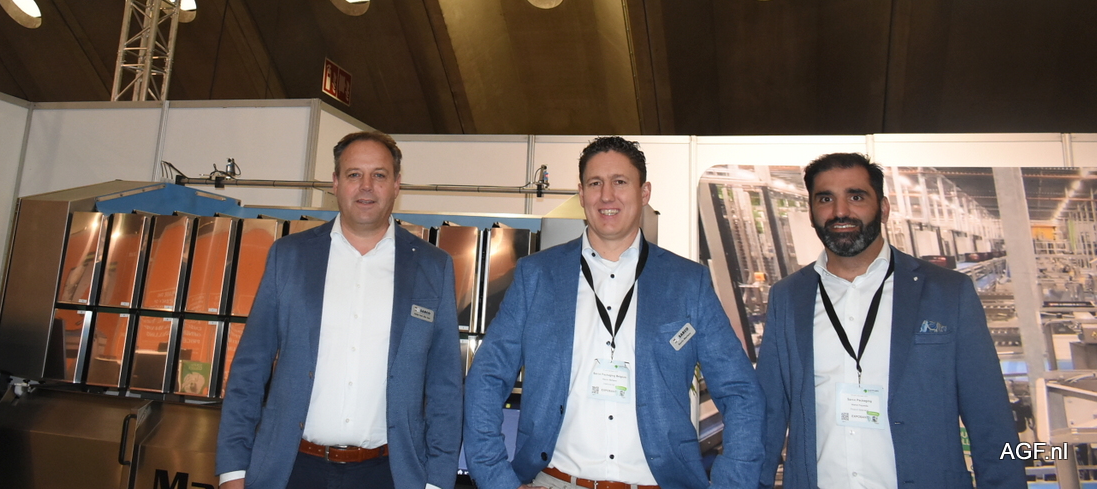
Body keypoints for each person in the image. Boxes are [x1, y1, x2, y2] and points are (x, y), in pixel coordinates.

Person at [464, 136, 765, 489]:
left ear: (644, 192)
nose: (607, 195)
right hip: (556, 480)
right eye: (595, 183)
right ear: (581, 194)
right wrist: (497, 480)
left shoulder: (687, 283)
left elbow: (740, 392)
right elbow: (486, 378)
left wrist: (732, 483)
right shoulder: (537, 276)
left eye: (620, 182)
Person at [757, 152, 1026, 489]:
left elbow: (990, 416)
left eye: (856, 197)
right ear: (811, 213)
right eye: (825, 199)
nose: (840, 211)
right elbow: (767, 414)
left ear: (883, 208)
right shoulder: (787, 296)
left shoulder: (948, 292)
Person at [216, 131, 463, 489]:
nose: (366, 186)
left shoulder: (432, 266)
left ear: (396, 184)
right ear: (335, 182)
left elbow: (445, 386)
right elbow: (249, 370)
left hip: (389, 474)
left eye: (379, 175)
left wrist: (437, 481)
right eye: (354, 174)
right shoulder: (289, 256)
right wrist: (233, 469)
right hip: (292, 470)